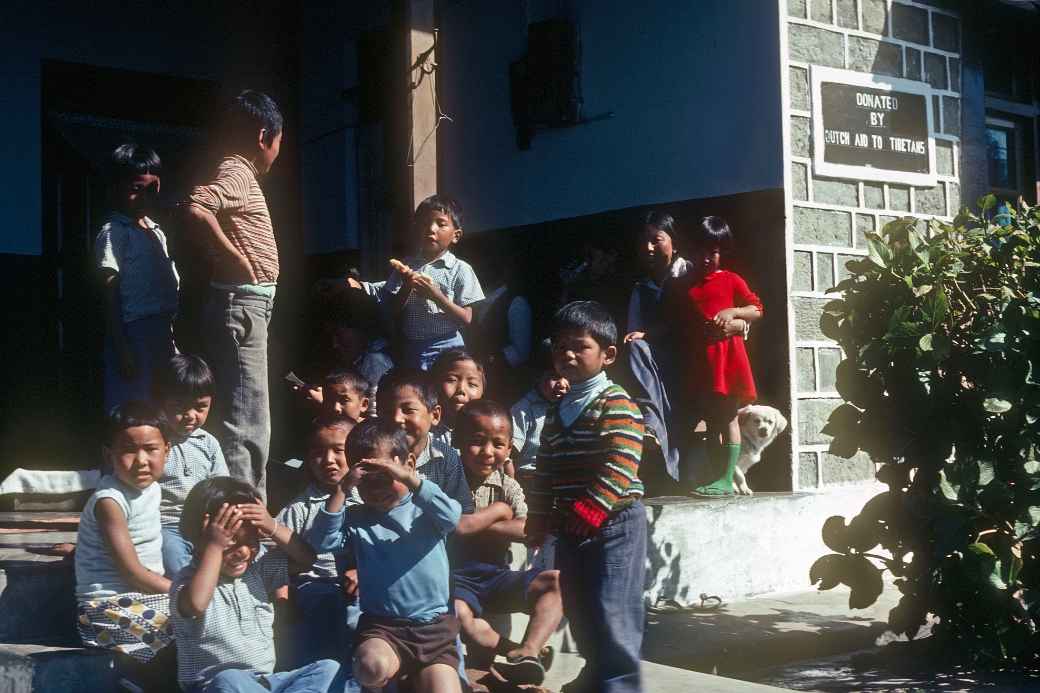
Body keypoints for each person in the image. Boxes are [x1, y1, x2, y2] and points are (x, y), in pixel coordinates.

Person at [526, 301, 646, 693]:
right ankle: (597, 676)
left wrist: (594, 507)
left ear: (608, 354)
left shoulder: (615, 402)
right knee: (581, 608)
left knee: (614, 607)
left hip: (616, 523)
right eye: (560, 347)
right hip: (572, 528)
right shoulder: (558, 409)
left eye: (580, 346)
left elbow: (622, 459)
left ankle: (621, 685)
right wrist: (538, 519)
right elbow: (545, 469)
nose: (568, 355)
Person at [307, 420, 463, 692]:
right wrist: (342, 490)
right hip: (384, 628)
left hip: (434, 630)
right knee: (370, 666)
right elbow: (322, 540)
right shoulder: (357, 519)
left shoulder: (426, 510)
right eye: (367, 481)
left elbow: (453, 515)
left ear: (409, 464)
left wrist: (408, 478)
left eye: (384, 476)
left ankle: (412, 679)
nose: (376, 488)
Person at [183, 90, 284, 502]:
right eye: (280, 140)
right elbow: (195, 206)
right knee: (248, 422)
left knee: (244, 416)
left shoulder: (239, 172)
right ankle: (245, 519)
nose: (279, 150)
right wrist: (236, 260)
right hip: (242, 304)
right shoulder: (238, 172)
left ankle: (239, 510)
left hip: (246, 306)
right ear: (264, 136)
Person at [170, 477, 343, 692]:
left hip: (265, 683)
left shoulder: (257, 572)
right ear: (201, 534)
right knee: (230, 679)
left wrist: (272, 526)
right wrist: (214, 545)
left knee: (328, 669)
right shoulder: (189, 580)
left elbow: (306, 558)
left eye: (251, 541)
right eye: (231, 541)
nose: (243, 552)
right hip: (213, 685)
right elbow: (196, 604)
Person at [451, 400, 561, 687]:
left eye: (498, 444)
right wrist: (498, 512)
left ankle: (529, 651)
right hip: (456, 580)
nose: (488, 452)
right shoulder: (449, 478)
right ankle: (511, 649)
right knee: (458, 613)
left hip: (496, 576)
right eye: (477, 442)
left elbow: (529, 529)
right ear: (457, 442)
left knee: (555, 582)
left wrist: (476, 524)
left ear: (509, 449)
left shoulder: (508, 485)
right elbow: (450, 527)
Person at [75, 402, 174, 663]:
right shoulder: (110, 501)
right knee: (193, 620)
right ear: (109, 455)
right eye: (129, 450)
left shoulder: (152, 489)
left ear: (167, 451)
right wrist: (180, 590)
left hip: (144, 600)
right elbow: (131, 571)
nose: (141, 461)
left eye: (151, 449)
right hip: (107, 610)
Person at [672, 216, 763, 497]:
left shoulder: (731, 280)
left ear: (722, 252)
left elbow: (757, 308)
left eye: (714, 251)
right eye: (701, 251)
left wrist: (733, 312)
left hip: (728, 362)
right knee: (712, 421)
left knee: (728, 418)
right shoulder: (686, 286)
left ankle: (726, 477)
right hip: (703, 364)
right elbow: (681, 325)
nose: (708, 258)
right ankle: (717, 478)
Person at [351, 195, 484, 370]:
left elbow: (467, 318)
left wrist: (436, 296)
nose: (430, 229)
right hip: (412, 348)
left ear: (456, 236)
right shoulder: (406, 266)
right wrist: (406, 286)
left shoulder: (460, 269)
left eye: (441, 224)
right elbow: (391, 310)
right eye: (424, 223)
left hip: (448, 346)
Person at [96, 144, 179, 411]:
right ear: (117, 188)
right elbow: (109, 295)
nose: (144, 197)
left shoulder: (157, 232)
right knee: (132, 407)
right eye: (135, 189)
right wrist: (122, 348)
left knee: (160, 406)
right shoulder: (114, 232)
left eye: (152, 189)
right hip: (133, 334)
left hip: (162, 333)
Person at [276, 414, 361, 669]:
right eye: (318, 453)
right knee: (326, 606)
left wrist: (364, 571)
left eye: (338, 450)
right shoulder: (299, 508)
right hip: (316, 587)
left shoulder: (371, 499)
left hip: (365, 585)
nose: (329, 461)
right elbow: (272, 556)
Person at [155, 354, 228, 578]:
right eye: (179, 406)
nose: (190, 415)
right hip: (165, 526)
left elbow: (222, 487)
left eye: (200, 407)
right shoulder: (154, 442)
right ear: (160, 401)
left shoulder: (208, 443)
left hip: (203, 525)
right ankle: (190, 594)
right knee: (173, 556)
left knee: (249, 550)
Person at [468, 250, 534, 403]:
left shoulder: (516, 302)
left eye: (488, 267)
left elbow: (520, 352)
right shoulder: (475, 299)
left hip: (502, 382)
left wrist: (488, 362)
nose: (482, 271)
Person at [510, 353, 570, 483]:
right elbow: (510, 454)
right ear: (538, 377)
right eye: (554, 377)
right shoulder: (523, 409)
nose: (562, 384)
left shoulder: (570, 405)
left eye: (567, 377)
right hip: (530, 476)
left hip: (561, 474)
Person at [429, 349, 486, 446]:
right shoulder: (424, 431)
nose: (461, 389)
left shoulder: (486, 432)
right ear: (434, 384)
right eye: (451, 380)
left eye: (472, 384)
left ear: (483, 392)